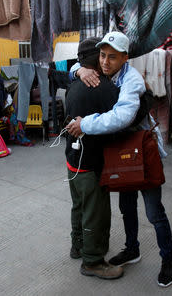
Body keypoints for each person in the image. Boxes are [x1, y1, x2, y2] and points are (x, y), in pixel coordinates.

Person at [66, 31, 172, 287]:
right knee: (127, 208)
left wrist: (85, 124)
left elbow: (122, 117)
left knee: (153, 212)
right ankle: (132, 249)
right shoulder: (103, 73)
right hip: (121, 154)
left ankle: (168, 259)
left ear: (125, 58)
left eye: (112, 57)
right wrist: (79, 71)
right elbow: (77, 65)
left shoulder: (132, 80)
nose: (105, 62)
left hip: (142, 151)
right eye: (102, 56)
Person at [65, 37, 123, 280]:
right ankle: (93, 261)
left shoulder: (73, 85)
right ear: (97, 60)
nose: (105, 60)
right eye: (102, 55)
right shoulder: (106, 88)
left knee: (78, 206)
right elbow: (127, 117)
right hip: (92, 165)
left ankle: (77, 246)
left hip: (72, 161)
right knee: (95, 212)